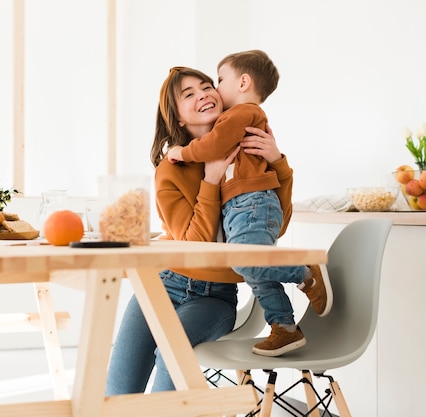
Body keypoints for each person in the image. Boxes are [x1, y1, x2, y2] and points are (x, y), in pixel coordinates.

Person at [105, 66, 294, 396]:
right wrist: (210, 180)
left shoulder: (250, 150)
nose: (204, 94)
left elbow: (274, 227)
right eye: (189, 94)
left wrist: (278, 163)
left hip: (214, 297)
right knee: (120, 388)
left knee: (171, 354)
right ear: (177, 118)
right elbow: (191, 245)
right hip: (163, 283)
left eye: (208, 86)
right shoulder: (170, 169)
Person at [166, 50, 332, 357]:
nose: (212, 91)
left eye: (216, 81)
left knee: (245, 262)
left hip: (253, 203)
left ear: (243, 82)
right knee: (256, 272)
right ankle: (284, 327)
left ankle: (305, 273)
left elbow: (215, 145)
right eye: (192, 93)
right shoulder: (233, 123)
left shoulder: (239, 115)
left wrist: (184, 153)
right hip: (240, 209)